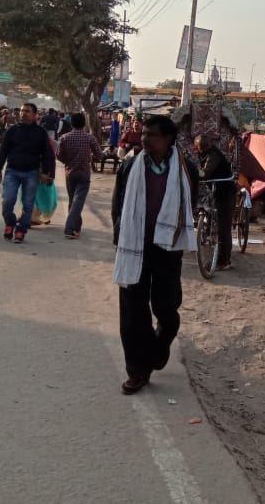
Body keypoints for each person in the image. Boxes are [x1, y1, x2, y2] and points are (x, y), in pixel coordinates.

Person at [111, 115, 197, 395]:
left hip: (167, 248)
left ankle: (161, 343)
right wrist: (118, 234)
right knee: (132, 312)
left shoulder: (187, 170)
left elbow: (189, 205)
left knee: (167, 306)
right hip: (134, 245)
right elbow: (119, 202)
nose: (145, 139)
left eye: (152, 135)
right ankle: (138, 371)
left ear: (169, 138)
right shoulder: (131, 166)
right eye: (144, 134)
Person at [0, 101, 56, 243]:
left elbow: (47, 154)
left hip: (31, 173)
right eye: (22, 111)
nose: (23, 113)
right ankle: (10, 223)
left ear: (35, 115)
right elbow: (3, 151)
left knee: (28, 205)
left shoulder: (40, 133)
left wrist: (47, 173)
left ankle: (21, 230)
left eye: (27, 111)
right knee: (7, 202)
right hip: (12, 172)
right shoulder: (12, 130)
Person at [56, 111, 104, 240]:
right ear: (84, 123)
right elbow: (100, 155)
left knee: (73, 200)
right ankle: (70, 229)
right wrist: (92, 157)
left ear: (71, 123)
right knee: (78, 202)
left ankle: (76, 227)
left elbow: (59, 155)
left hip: (69, 173)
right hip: (84, 173)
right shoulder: (90, 138)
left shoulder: (64, 138)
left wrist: (68, 161)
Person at [194, 134, 236, 271]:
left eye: (206, 145)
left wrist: (193, 172)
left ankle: (224, 261)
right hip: (216, 191)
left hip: (225, 193)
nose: (204, 148)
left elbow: (205, 173)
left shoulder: (213, 156)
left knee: (223, 228)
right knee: (216, 222)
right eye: (201, 147)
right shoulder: (205, 154)